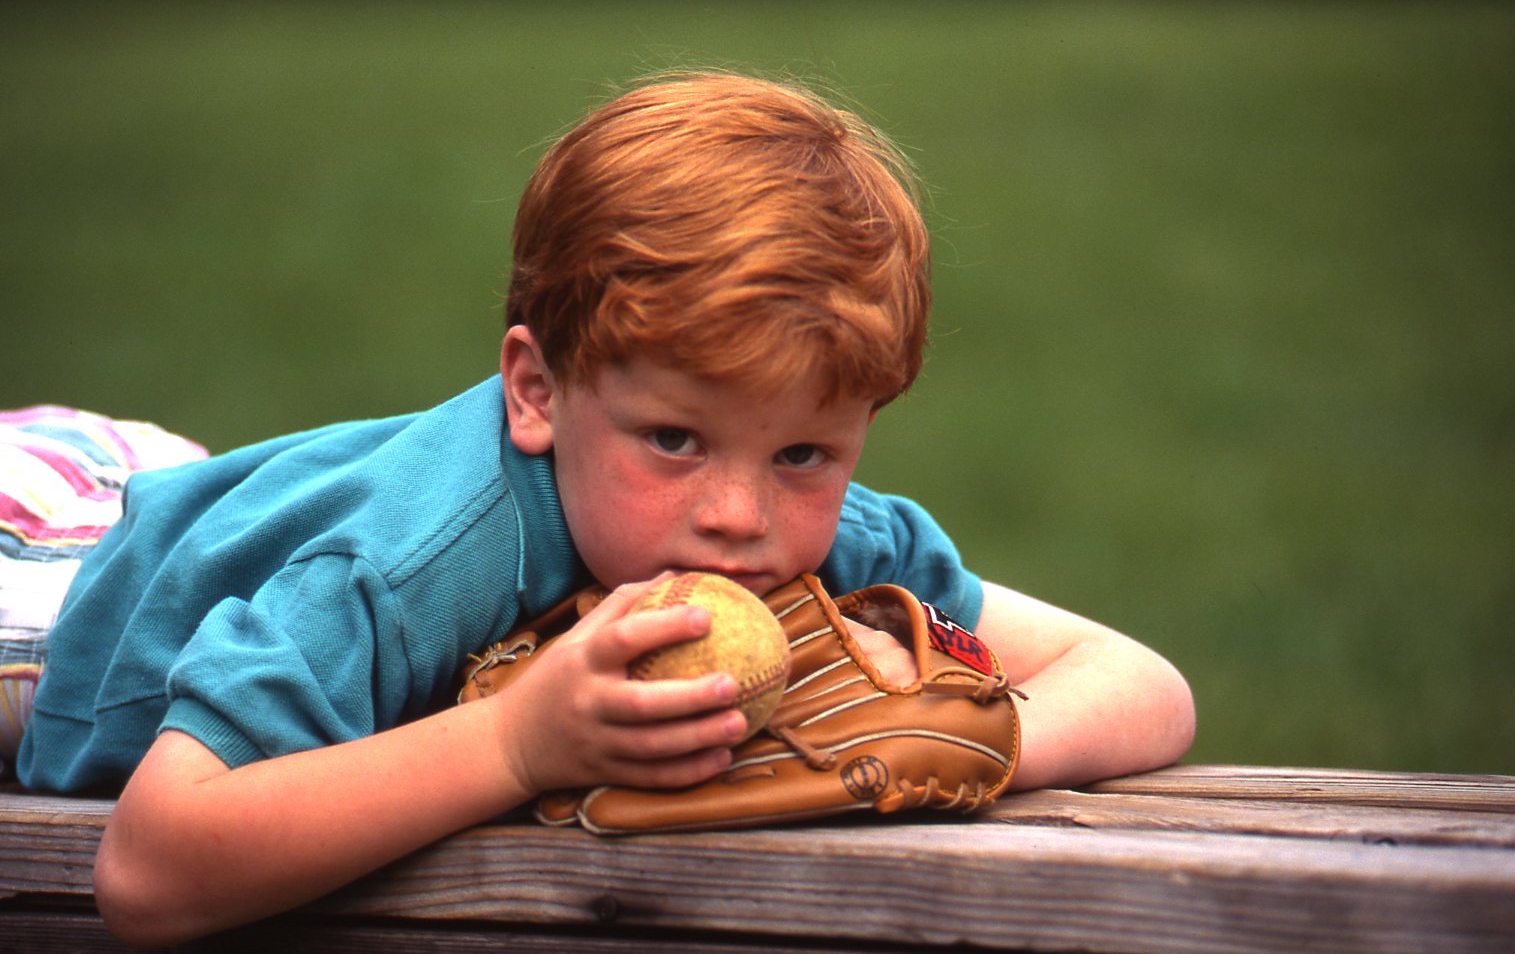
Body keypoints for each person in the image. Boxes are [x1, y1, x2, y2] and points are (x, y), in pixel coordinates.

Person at [11, 72, 1194, 947]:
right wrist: (517, 741)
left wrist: (961, 744)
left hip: (220, 505)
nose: (738, 515)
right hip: (62, 597)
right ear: (537, 392)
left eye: (802, 452)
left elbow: (1141, 682)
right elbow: (154, 869)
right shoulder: (412, 566)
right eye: (673, 440)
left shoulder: (823, 547)